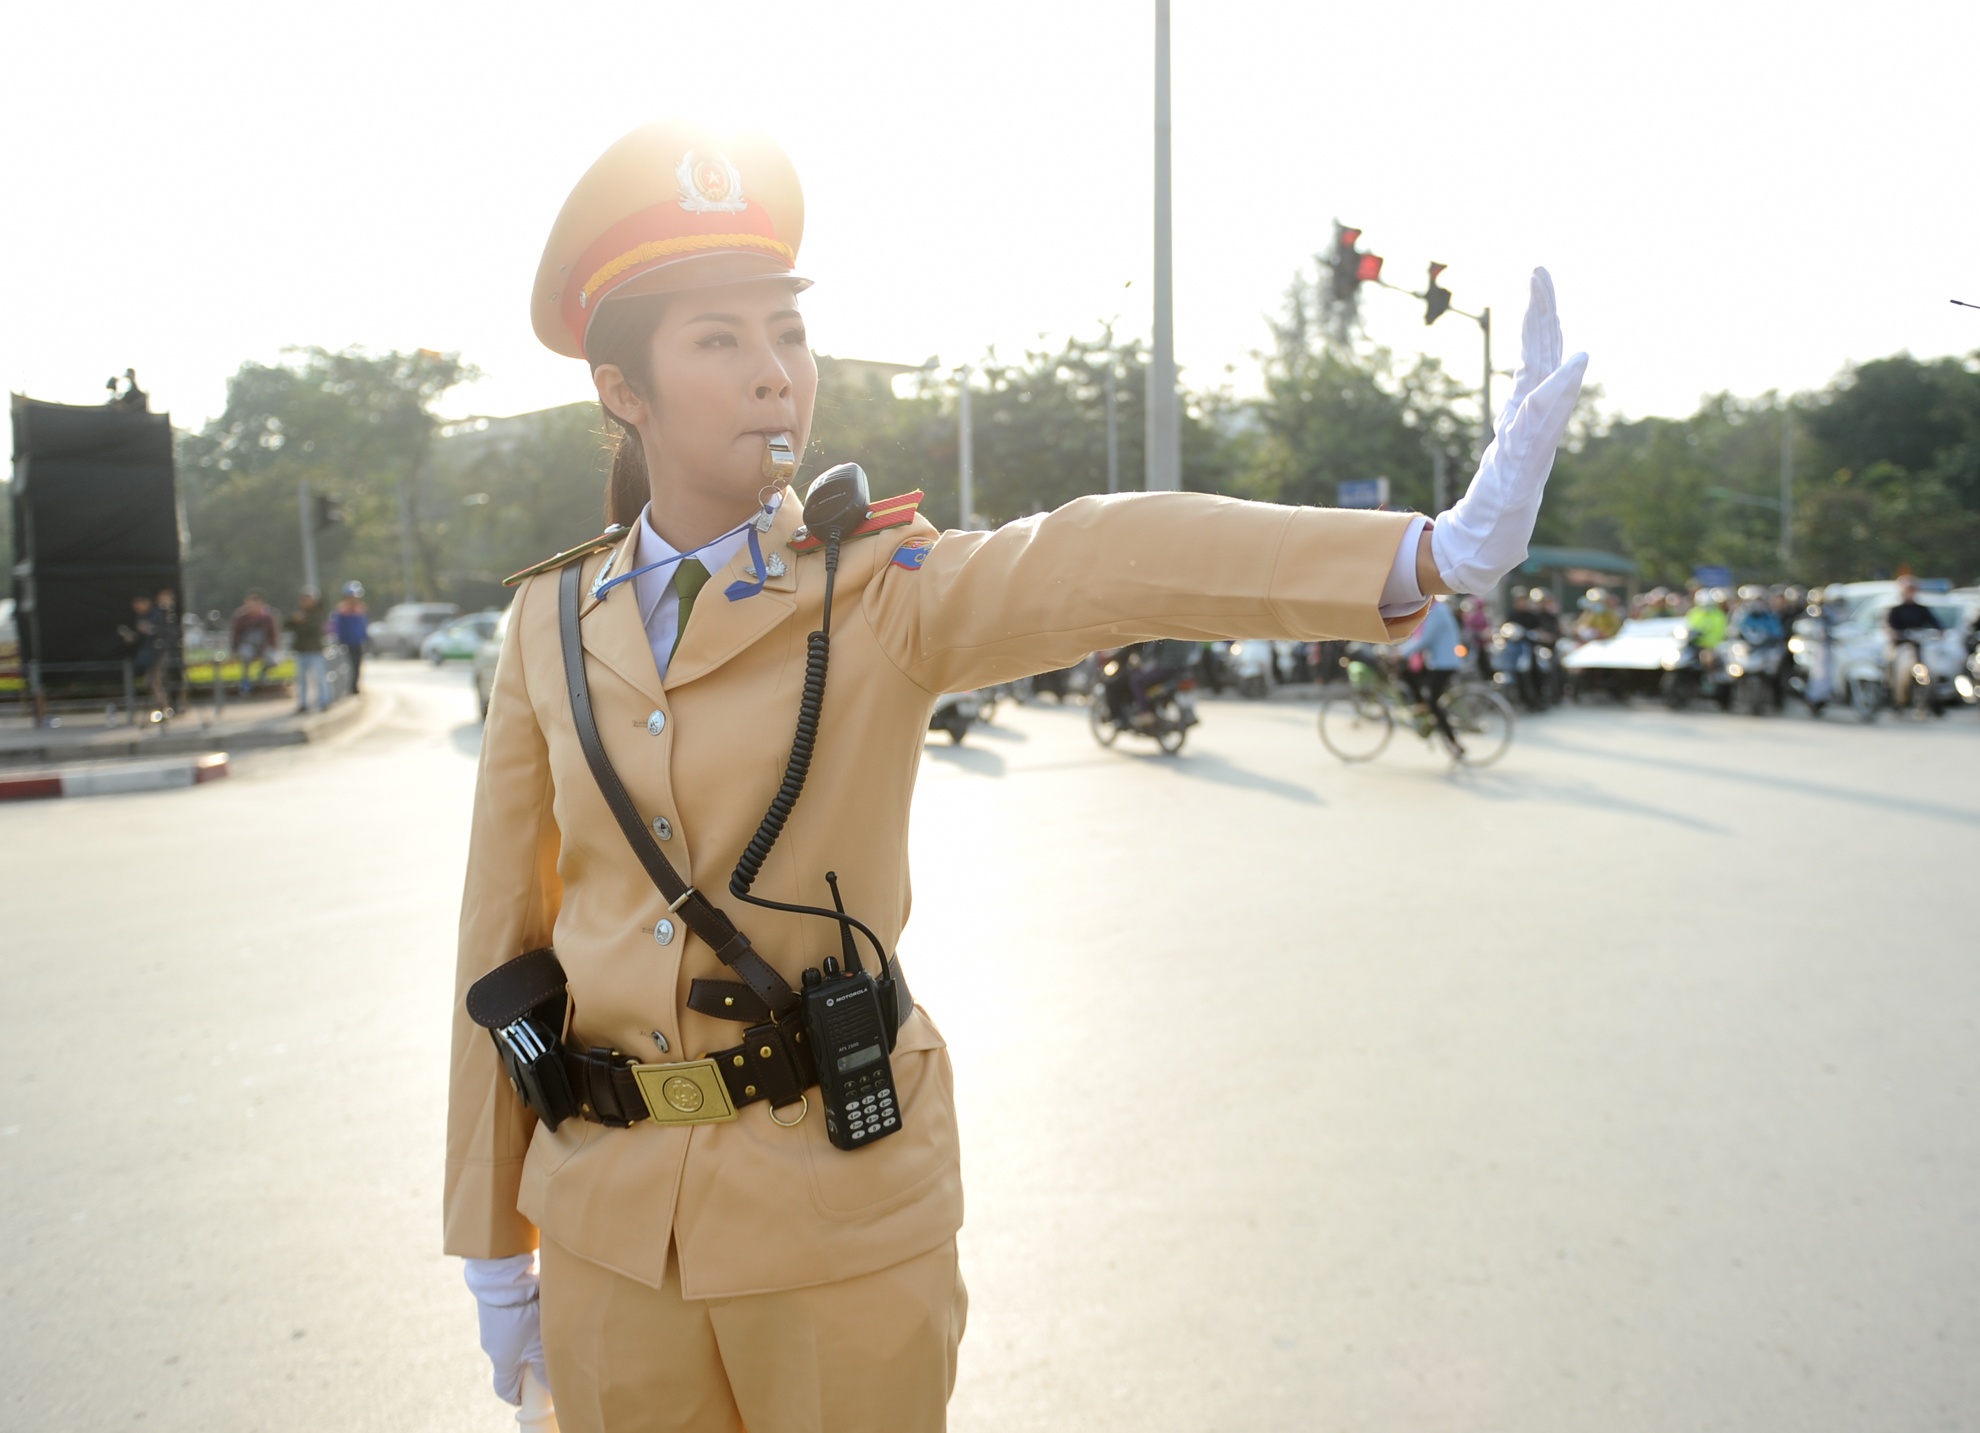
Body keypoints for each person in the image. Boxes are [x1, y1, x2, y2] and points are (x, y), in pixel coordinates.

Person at [446, 120, 1587, 1433]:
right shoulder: (550, 623)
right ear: (622, 387)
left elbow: (1102, 558)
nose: (774, 374)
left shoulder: (877, 586)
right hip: (607, 1243)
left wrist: (1427, 552)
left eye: (789, 334)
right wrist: (494, 1249)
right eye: (720, 339)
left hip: (836, 1220)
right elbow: (500, 944)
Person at [1396, 595, 1465, 754]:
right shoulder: (1435, 610)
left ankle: (1454, 743)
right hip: (1437, 662)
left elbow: (1424, 640)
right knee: (1408, 674)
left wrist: (1401, 653)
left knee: (1433, 702)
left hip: (1444, 664)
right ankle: (1421, 706)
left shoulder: (1437, 612)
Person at [1884, 576, 1941, 711]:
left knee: (1932, 670)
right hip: (1903, 646)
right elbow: (1889, 626)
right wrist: (1894, 634)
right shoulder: (1896, 609)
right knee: (1900, 670)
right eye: (1908, 589)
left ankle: (1934, 702)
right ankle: (1898, 700)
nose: (1910, 592)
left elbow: (1935, 622)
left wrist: (1940, 631)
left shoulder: (1921, 609)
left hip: (1920, 646)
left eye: (1912, 589)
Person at [230, 591, 280, 694]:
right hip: (248, 646)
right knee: (245, 655)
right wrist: (234, 649)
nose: (251, 607)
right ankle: (246, 681)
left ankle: (262, 673)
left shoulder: (267, 617)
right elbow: (236, 634)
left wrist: (274, 647)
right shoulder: (241, 617)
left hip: (263, 647)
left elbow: (273, 634)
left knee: (274, 660)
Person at [288, 587, 329, 713]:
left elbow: (313, 626)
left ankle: (324, 701)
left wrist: (302, 621)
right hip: (302, 651)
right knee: (301, 681)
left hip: (315, 651)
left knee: (320, 678)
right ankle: (303, 703)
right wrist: (295, 620)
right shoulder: (298, 612)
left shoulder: (318, 613)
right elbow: (287, 624)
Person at [333, 582, 370, 695]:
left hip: (357, 642)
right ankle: (347, 688)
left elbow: (363, 627)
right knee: (346, 666)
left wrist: (365, 639)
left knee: (357, 665)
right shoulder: (342, 611)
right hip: (346, 643)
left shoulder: (360, 610)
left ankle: (354, 687)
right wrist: (340, 640)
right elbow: (338, 627)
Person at [151, 587, 181, 714]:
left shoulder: (174, 614)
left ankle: (176, 704)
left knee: (177, 678)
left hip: (174, 651)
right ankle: (164, 706)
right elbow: (157, 630)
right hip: (161, 652)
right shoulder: (156, 613)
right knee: (161, 680)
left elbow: (175, 632)